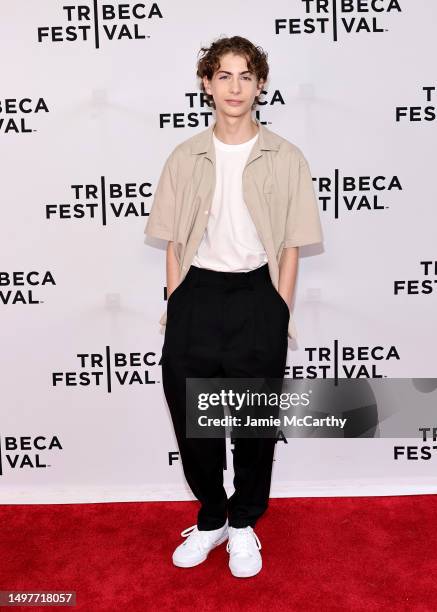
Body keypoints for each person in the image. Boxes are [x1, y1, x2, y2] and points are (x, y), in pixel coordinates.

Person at [144, 35, 323, 578]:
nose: (235, 86)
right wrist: (176, 300)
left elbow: (291, 245)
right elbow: (174, 242)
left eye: (246, 75)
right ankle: (211, 517)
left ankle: (244, 523)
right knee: (192, 418)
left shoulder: (286, 157)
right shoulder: (184, 156)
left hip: (256, 297)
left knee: (252, 422)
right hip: (196, 293)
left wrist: (279, 310)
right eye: (223, 75)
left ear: (261, 84)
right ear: (206, 84)